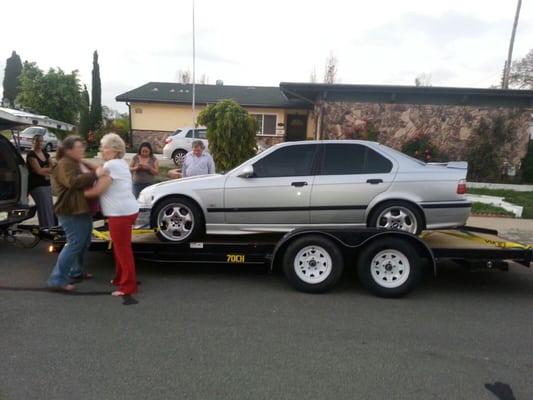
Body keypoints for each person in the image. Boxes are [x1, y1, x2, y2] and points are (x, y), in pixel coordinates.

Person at [85, 133, 139, 296]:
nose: (102, 150)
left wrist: (76, 194)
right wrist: (81, 161)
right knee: (119, 247)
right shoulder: (120, 163)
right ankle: (119, 278)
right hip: (128, 210)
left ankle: (128, 286)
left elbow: (98, 189)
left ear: (115, 150)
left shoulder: (111, 166)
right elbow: (97, 169)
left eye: (105, 147)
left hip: (120, 214)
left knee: (122, 250)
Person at [47, 136, 97, 291]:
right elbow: (73, 182)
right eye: (79, 147)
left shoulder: (76, 162)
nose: (82, 149)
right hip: (70, 210)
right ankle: (57, 279)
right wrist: (95, 174)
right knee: (75, 243)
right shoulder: (64, 164)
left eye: (83, 146)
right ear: (69, 150)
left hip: (81, 208)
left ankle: (76, 271)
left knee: (84, 242)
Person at [26, 134, 55, 228]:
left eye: (41, 141)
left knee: (49, 207)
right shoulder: (31, 155)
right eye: (37, 141)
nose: (39, 143)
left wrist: (45, 170)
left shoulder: (44, 152)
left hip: (46, 183)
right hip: (36, 185)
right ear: (33, 142)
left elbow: (53, 167)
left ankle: (51, 228)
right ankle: (45, 229)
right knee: (44, 207)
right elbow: (38, 171)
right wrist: (47, 170)